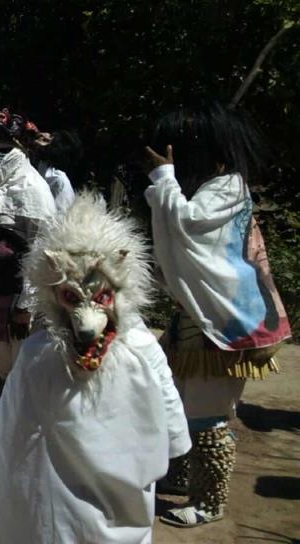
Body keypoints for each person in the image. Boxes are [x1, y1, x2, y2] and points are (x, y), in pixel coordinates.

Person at [0, 192, 191, 543]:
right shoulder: (140, 347)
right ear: (53, 290)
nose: (87, 324)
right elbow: (175, 438)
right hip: (116, 508)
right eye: (72, 297)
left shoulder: (37, 352)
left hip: (57, 514)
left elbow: (6, 438)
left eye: (101, 296)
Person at [144, 102, 291, 527]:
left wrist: (163, 177)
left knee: (206, 415)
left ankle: (210, 500)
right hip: (195, 321)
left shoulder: (228, 188)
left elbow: (188, 224)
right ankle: (180, 473)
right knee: (175, 403)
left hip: (220, 328)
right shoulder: (213, 188)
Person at [0, 108, 56, 399]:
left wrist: (25, 305)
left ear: (20, 150)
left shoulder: (36, 190)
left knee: (25, 373)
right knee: (3, 368)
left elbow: (41, 253)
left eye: (6, 149)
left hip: (23, 304)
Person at [34, 129, 81, 215]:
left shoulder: (60, 181)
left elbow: (60, 217)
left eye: (50, 139)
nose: (44, 135)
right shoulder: (41, 165)